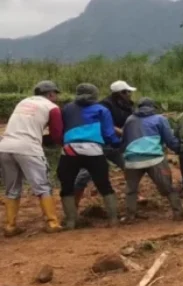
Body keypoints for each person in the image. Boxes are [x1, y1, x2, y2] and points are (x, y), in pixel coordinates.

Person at [0, 81, 63, 236]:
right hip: (29, 149)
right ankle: (52, 223)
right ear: (50, 94)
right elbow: (56, 134)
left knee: (12, 188)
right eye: (55, 94)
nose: (56, 97)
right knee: (42, 186)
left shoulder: (23, 102)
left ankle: (10, 226)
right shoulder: (52, 108)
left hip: (5, 146)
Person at [58, 83, 121, 229]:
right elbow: (108, 133)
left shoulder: (67, 108)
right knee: (104, 185)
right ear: (95, 94)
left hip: (70, 150)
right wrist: (117, 143)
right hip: (93, 150)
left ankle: (71, 222)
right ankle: (113, 220)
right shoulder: (101, 109)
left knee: (66, 186)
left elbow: (61, 128)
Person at [73, 80, 136, 209]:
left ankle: (134, 195)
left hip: (116, 144)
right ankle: (73, 206)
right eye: (128, 92)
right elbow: (104, 124)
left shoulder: (128, 106)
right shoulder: (105, 105)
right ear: (120, 93)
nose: (130, 94)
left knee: (129, 168)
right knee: (84, 176)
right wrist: (121, 131)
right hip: (99, 144)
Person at [121, 98, 183, 222]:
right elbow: (169, 139)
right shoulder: (160, 119)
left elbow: (124, 141)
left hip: (133, 160)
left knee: (131, 189)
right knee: (167, 187)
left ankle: (130, 216)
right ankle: (178, 213)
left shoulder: (130, 120)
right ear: (153, 107)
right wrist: (179, 148)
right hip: (154, 158)